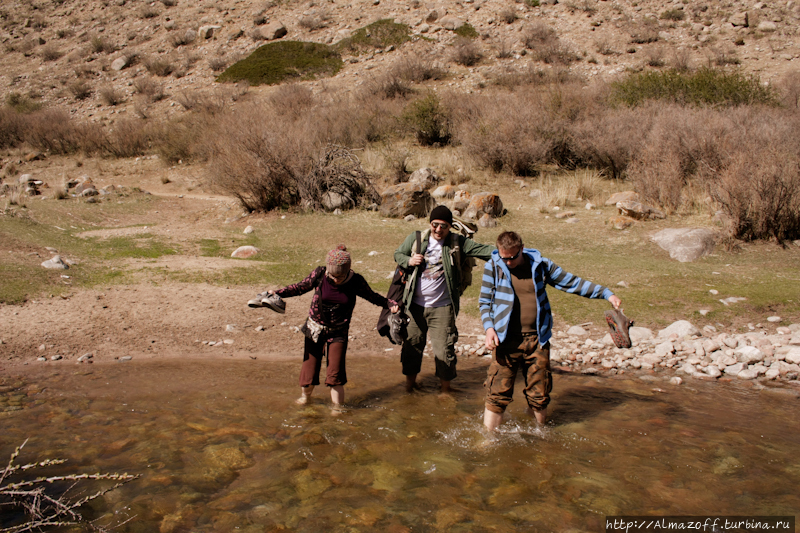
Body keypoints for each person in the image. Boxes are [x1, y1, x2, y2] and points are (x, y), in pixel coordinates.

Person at [479, 231, 622, 431]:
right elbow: (484, 302)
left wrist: (606, 293)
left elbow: (572, 282)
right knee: (496, 394)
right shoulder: (493, 266)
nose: (509, 262)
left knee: (539, 395)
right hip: (505, 340)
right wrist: (489, 328)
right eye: (505, 258)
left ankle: (538, 438)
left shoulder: (541, 265)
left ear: (522, 248)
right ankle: (489, 440)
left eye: (513, 257)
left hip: (537, 340)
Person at [264, 245, 399, 412]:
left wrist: (390, 304)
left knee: (335, 373)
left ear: (348, 270)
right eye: (332, 275)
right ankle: (306, 399)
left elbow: (372, 296)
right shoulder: (320, 274)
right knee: (309, 369)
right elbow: (300, 287)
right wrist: (277, 293)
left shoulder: (356, 281)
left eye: (339, 276)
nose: (335, 279)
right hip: (314, 328)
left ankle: (337, 409)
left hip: (338, 332)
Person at [394, 205, 495, 393]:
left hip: (442, 308)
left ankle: (445, 392)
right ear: (430, 223)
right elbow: (398, 254)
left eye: (444, 226)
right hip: (414, 306)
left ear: (450, 227)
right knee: (411, 348)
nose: (439, 229)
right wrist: (408, 261)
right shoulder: (416, 239)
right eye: (435, 224)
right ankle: (409, 387)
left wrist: (510, 253)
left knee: (444, 351)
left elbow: (483, 250)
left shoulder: (457, 243)